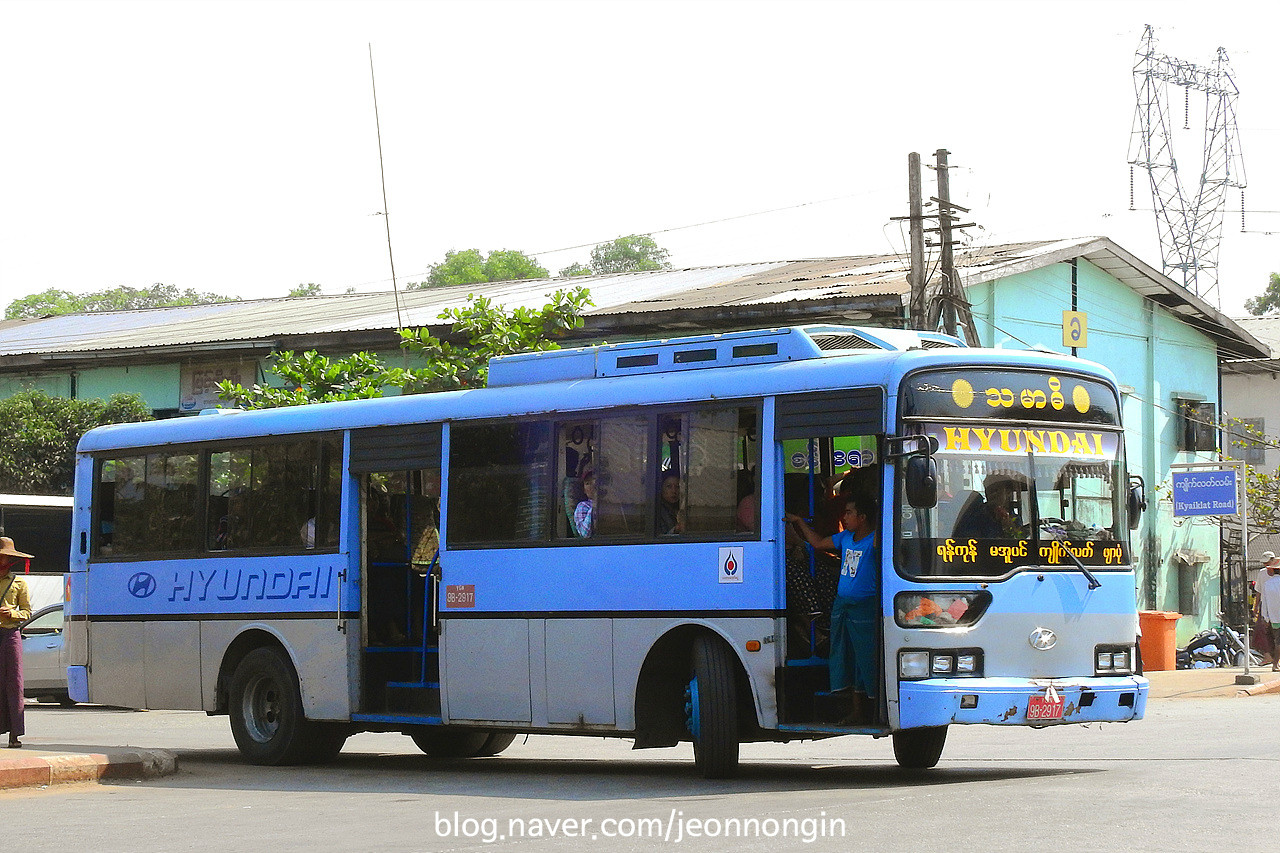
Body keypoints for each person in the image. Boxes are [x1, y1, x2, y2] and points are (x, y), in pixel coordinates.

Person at [786, 493, 879, 724]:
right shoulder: (845, 538)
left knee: (866, 658)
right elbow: (818, 544)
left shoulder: (877, 539)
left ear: (863, 517)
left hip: (864, 608)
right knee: (845, 656)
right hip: (843, 606)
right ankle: (856, 712)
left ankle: (875, 709)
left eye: (849, 512)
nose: (844, 517)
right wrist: (798, 522)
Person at [0, 537, 34, 748]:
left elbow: (27, 613)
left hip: (10, 634)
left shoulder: (19, 583)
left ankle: (15, 733)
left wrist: (11, 613)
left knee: (14, 683)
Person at [1259, 552, 1280, 672]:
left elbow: (1264, 602)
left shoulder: (1267, 584)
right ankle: (1275, 664)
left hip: (1274, 618)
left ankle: (1276, 664)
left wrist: (1265, 618)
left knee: (1277, 640)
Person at [573, 468, 597, 538]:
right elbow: (585, 534)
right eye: (587, 483)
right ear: (584, 490)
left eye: (595, 481)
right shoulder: (583, 506)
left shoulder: (610, 503)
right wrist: (596, 504)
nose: (592, 486)